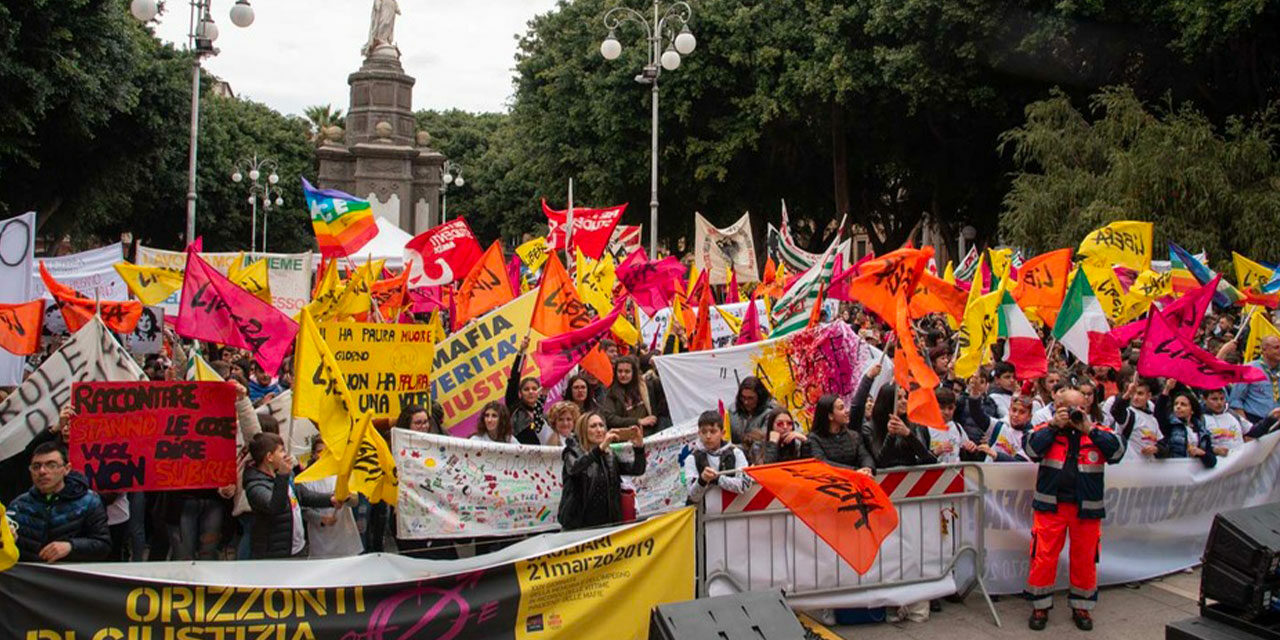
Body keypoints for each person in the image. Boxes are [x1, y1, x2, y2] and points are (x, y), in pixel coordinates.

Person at [1023, 390, 1125, 631]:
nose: (1076, 413)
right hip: (1051, 506)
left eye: (1081, 407)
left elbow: (1118, 452)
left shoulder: (1097, 432)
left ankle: (1082, 606)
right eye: (1070, 408)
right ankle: (1040, 606)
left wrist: (1089, 429)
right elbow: (1031, 450)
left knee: (1085, 559)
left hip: (1086, 509)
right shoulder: (1046, 430)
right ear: (1058, 407)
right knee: (1043, 557)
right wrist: (1053, 426)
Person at [8, 441, 110, 563]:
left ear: (67, 469)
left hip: (69, 578)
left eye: (51, 465)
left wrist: (71, 547)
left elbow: (103, 546)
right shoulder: (18, 505)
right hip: (29, 578)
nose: (42, 471)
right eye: (36, 466)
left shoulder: (89, 501)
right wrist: (7, 540)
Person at [242, 432, 335, 559]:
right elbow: (275, 507)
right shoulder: (255, 485)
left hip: (298, 549)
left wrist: (330, 499)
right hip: (276, 554)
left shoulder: (286, 475)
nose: (285, 455)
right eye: (281, 451)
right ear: (269, 457)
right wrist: (282, 476)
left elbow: (304, 495)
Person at [557, 412, 647, 530]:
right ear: (583, 430)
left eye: (601, 425)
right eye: (593, 426)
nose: (599, 430)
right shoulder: (572, 451)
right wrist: (600, 448)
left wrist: (639, 448)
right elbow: (575, 468)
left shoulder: (609, 454)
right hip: (579, 525)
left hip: (608, 524)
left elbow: (637, 470)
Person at [299, 438, 362, 559]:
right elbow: (303, 507)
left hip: (344, 536)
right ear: (313, 454)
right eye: (319, 451)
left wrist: (347, 497)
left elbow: (355, 501)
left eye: (327, 451)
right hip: (321, 539)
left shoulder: (343, 474)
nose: (323, 455)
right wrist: (320, 519)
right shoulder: (306, 478)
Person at [685, 410, 751, 504]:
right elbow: (693, 496)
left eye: (713, 431)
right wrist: (702, 481)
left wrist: (717, 479)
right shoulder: (692, 459)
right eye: (704, 432)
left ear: (722, 433)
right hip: (706, 516)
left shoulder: (736, 453)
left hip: (736, 513)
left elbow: (745, 485)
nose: (708, 436)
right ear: (699, 433)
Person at [868, 384, 938, 468]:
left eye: (905, 397)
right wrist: (891, 436)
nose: (904, 401)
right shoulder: (870, 428)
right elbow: (880, 462)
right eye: (899, 398)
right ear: (887, 400)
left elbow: (928, 458)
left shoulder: (914, 425)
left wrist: (908, 434)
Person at [1154, 382, 1217, 468]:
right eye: (1176, 404)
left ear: (1192, 410)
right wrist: (1167, 389)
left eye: (1183, 404)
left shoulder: (1202, 431)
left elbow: (1212, 461)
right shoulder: (1169, 426)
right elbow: (1158, 413)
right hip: (1174, 471)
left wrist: (1201, 453)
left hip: (1195, 475)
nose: (1178, 407)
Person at [808, 393, 875, 474]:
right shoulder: (814, 439)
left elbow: (865, 456)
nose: (847, 411)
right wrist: (854, 472)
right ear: (830, 416)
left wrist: (868, 468)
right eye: (841, 408)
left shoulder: (854, 436)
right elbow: (822, 463)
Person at [1226, 335, 1280, 424]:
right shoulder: (1249, 369)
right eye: (1276, 347)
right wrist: (1247, 427)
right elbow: (1236, 401)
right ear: (1264, 350)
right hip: (1255, 420)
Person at [600, 356, 659, 434]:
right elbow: (610, 418)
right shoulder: (611, 393)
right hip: (626, 437)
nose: (623, 375)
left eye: (627, 371)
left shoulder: (646, 387)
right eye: (620, 371)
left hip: (650, 434)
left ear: (633, 372)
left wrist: (657, 367)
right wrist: (638, 421)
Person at [505, 337, 547, 445]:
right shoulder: (514, 407)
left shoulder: (543, 414)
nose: (531, 392)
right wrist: (521, 352)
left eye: (534, 388)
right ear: (520, 393)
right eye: (526, 389)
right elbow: (514, 379)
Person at [1109, 379, 1162, 461]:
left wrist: (1156, 449)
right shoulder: (1129, 414)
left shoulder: (1153, 420)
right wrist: (1127, 393)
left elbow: (1163, 444)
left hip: (1148, 469)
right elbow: (1116, 411)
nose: (1135, 397)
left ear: (1149, 396)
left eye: (1140, 394)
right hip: (1128, 468)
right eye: (1133, 393)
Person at [727, 377, 777, 446]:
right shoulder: (732, 411)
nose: (746, 402)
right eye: (743, 397)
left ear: (760, 397)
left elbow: (761, 442)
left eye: (751, 398)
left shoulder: (771, 414)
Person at [1202, 388, 1247, 455]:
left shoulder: (1233, 414)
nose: (1219, 402)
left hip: (1240, 460)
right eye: (1214, 399)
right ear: (1204, 399)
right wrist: (1213, 450)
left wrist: (1268, 420)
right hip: (1219, 463)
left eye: (1222, 398)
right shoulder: (1201, 419)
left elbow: (1252, 431)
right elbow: (1198, 445)